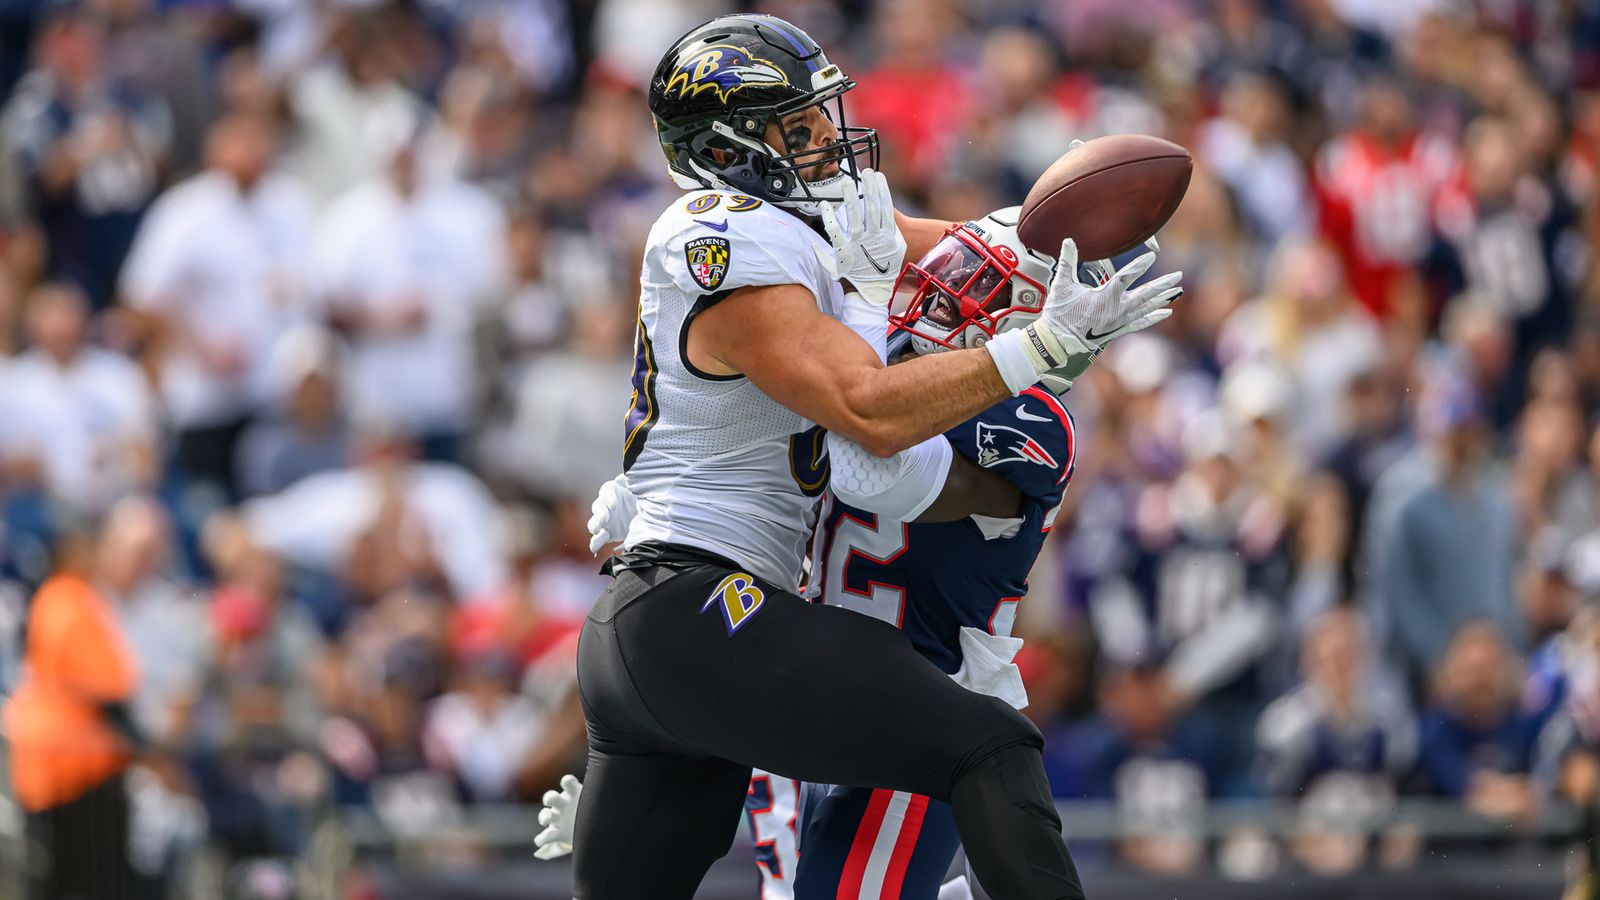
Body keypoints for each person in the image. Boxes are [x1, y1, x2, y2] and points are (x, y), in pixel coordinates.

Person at [560, 14, 1181, 900]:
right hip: (704, 613)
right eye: (799, 129)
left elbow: (942, 256)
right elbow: (866, 422)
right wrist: (1035, 347)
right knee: (993, 745)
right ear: (729, 150)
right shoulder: (722, 229)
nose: (827, 144)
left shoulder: (792, 238)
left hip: (673, 631)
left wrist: (1037, 233)